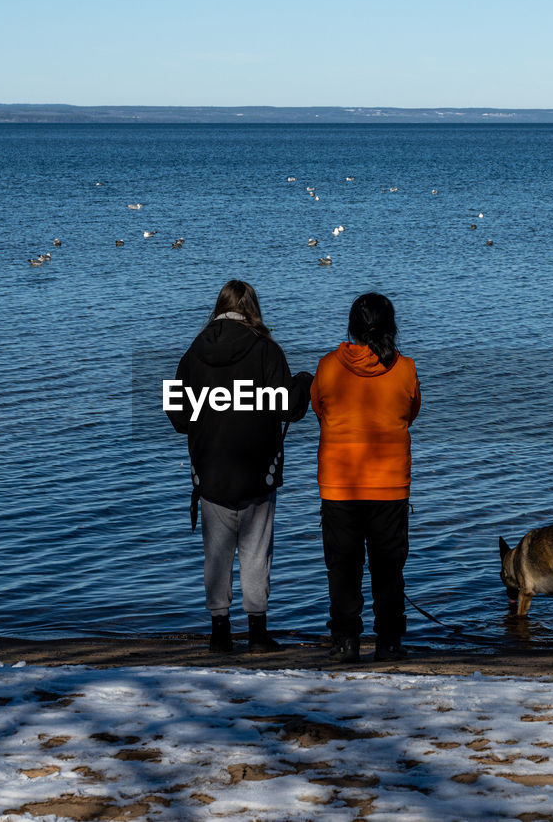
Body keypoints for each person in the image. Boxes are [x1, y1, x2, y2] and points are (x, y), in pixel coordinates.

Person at [168, 280, 312, 653]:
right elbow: (288, 409)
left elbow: (178, 416)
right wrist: (303, 383)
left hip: (210, 472)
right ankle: (258, 633)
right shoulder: (267, 350)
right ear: (252, 309)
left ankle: (219, 632)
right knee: (255, 552)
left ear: (218, 308)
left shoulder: (193, 352)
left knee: (216, 555)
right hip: (256, 471)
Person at [311, 293, 420, 662]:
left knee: (343, 567)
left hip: (339, 484)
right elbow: (411, 411)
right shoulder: (405, 368)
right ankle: (389, 643)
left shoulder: (327, 366)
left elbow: (318, 408)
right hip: (389, 485)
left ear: (352, 326)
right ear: (391, 327)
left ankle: (345, 642)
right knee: (388, 568)